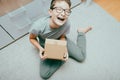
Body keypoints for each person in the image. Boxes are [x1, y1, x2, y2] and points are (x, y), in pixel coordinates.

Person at [29, 0, 92, 79]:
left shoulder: (67, 23)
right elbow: (32, 38)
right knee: (44, 74)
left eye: (67, 11)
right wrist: (40, 48)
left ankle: (81, 32)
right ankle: (63, 57)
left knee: (81, 57)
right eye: (59, 9)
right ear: (50, 12)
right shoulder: (38, 26)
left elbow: (62, 36)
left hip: (60, 40)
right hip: (45, 45)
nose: (63, 14)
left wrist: (63, 48)